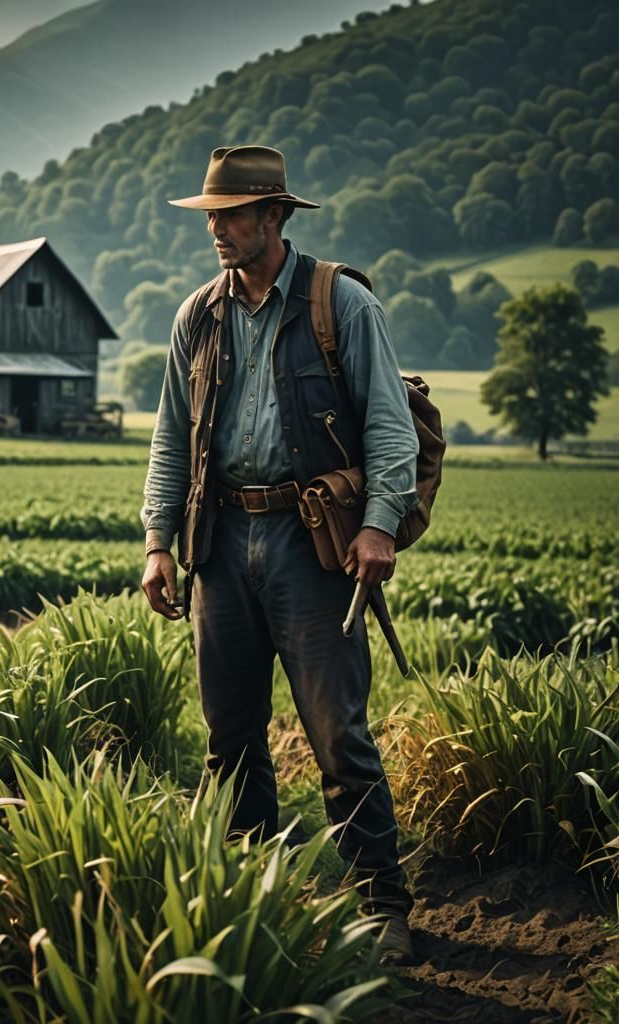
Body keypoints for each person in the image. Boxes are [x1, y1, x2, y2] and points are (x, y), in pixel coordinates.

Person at [139, 144, 419, 966]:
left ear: (274, 216)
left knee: (340, 735)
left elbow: (389, 426)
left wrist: (378, 524)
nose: (217, 230)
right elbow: (169, 436)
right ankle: (250, 899)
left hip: (313, 544)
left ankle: (383, 906)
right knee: (229, 735)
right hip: (219, 544)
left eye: (230, 216)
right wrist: (159, 541)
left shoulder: (342, 304)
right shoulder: (198, 314)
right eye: (212, 217)